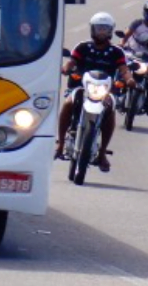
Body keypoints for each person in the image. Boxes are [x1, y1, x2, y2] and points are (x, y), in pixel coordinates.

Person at [54, 12, 134, 172]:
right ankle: (61, 144)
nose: (101, 32)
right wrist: (65, 68)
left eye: (105, 29)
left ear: (110, 31)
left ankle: (102, 153)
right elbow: (72, 62)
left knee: (110, 112)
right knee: (68, 104)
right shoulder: (83, 47)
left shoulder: (117, 52)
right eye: (99, 29)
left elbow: (124, 69)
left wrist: (129, 79)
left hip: (105, 92)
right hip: (80, 88)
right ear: (92, 29)